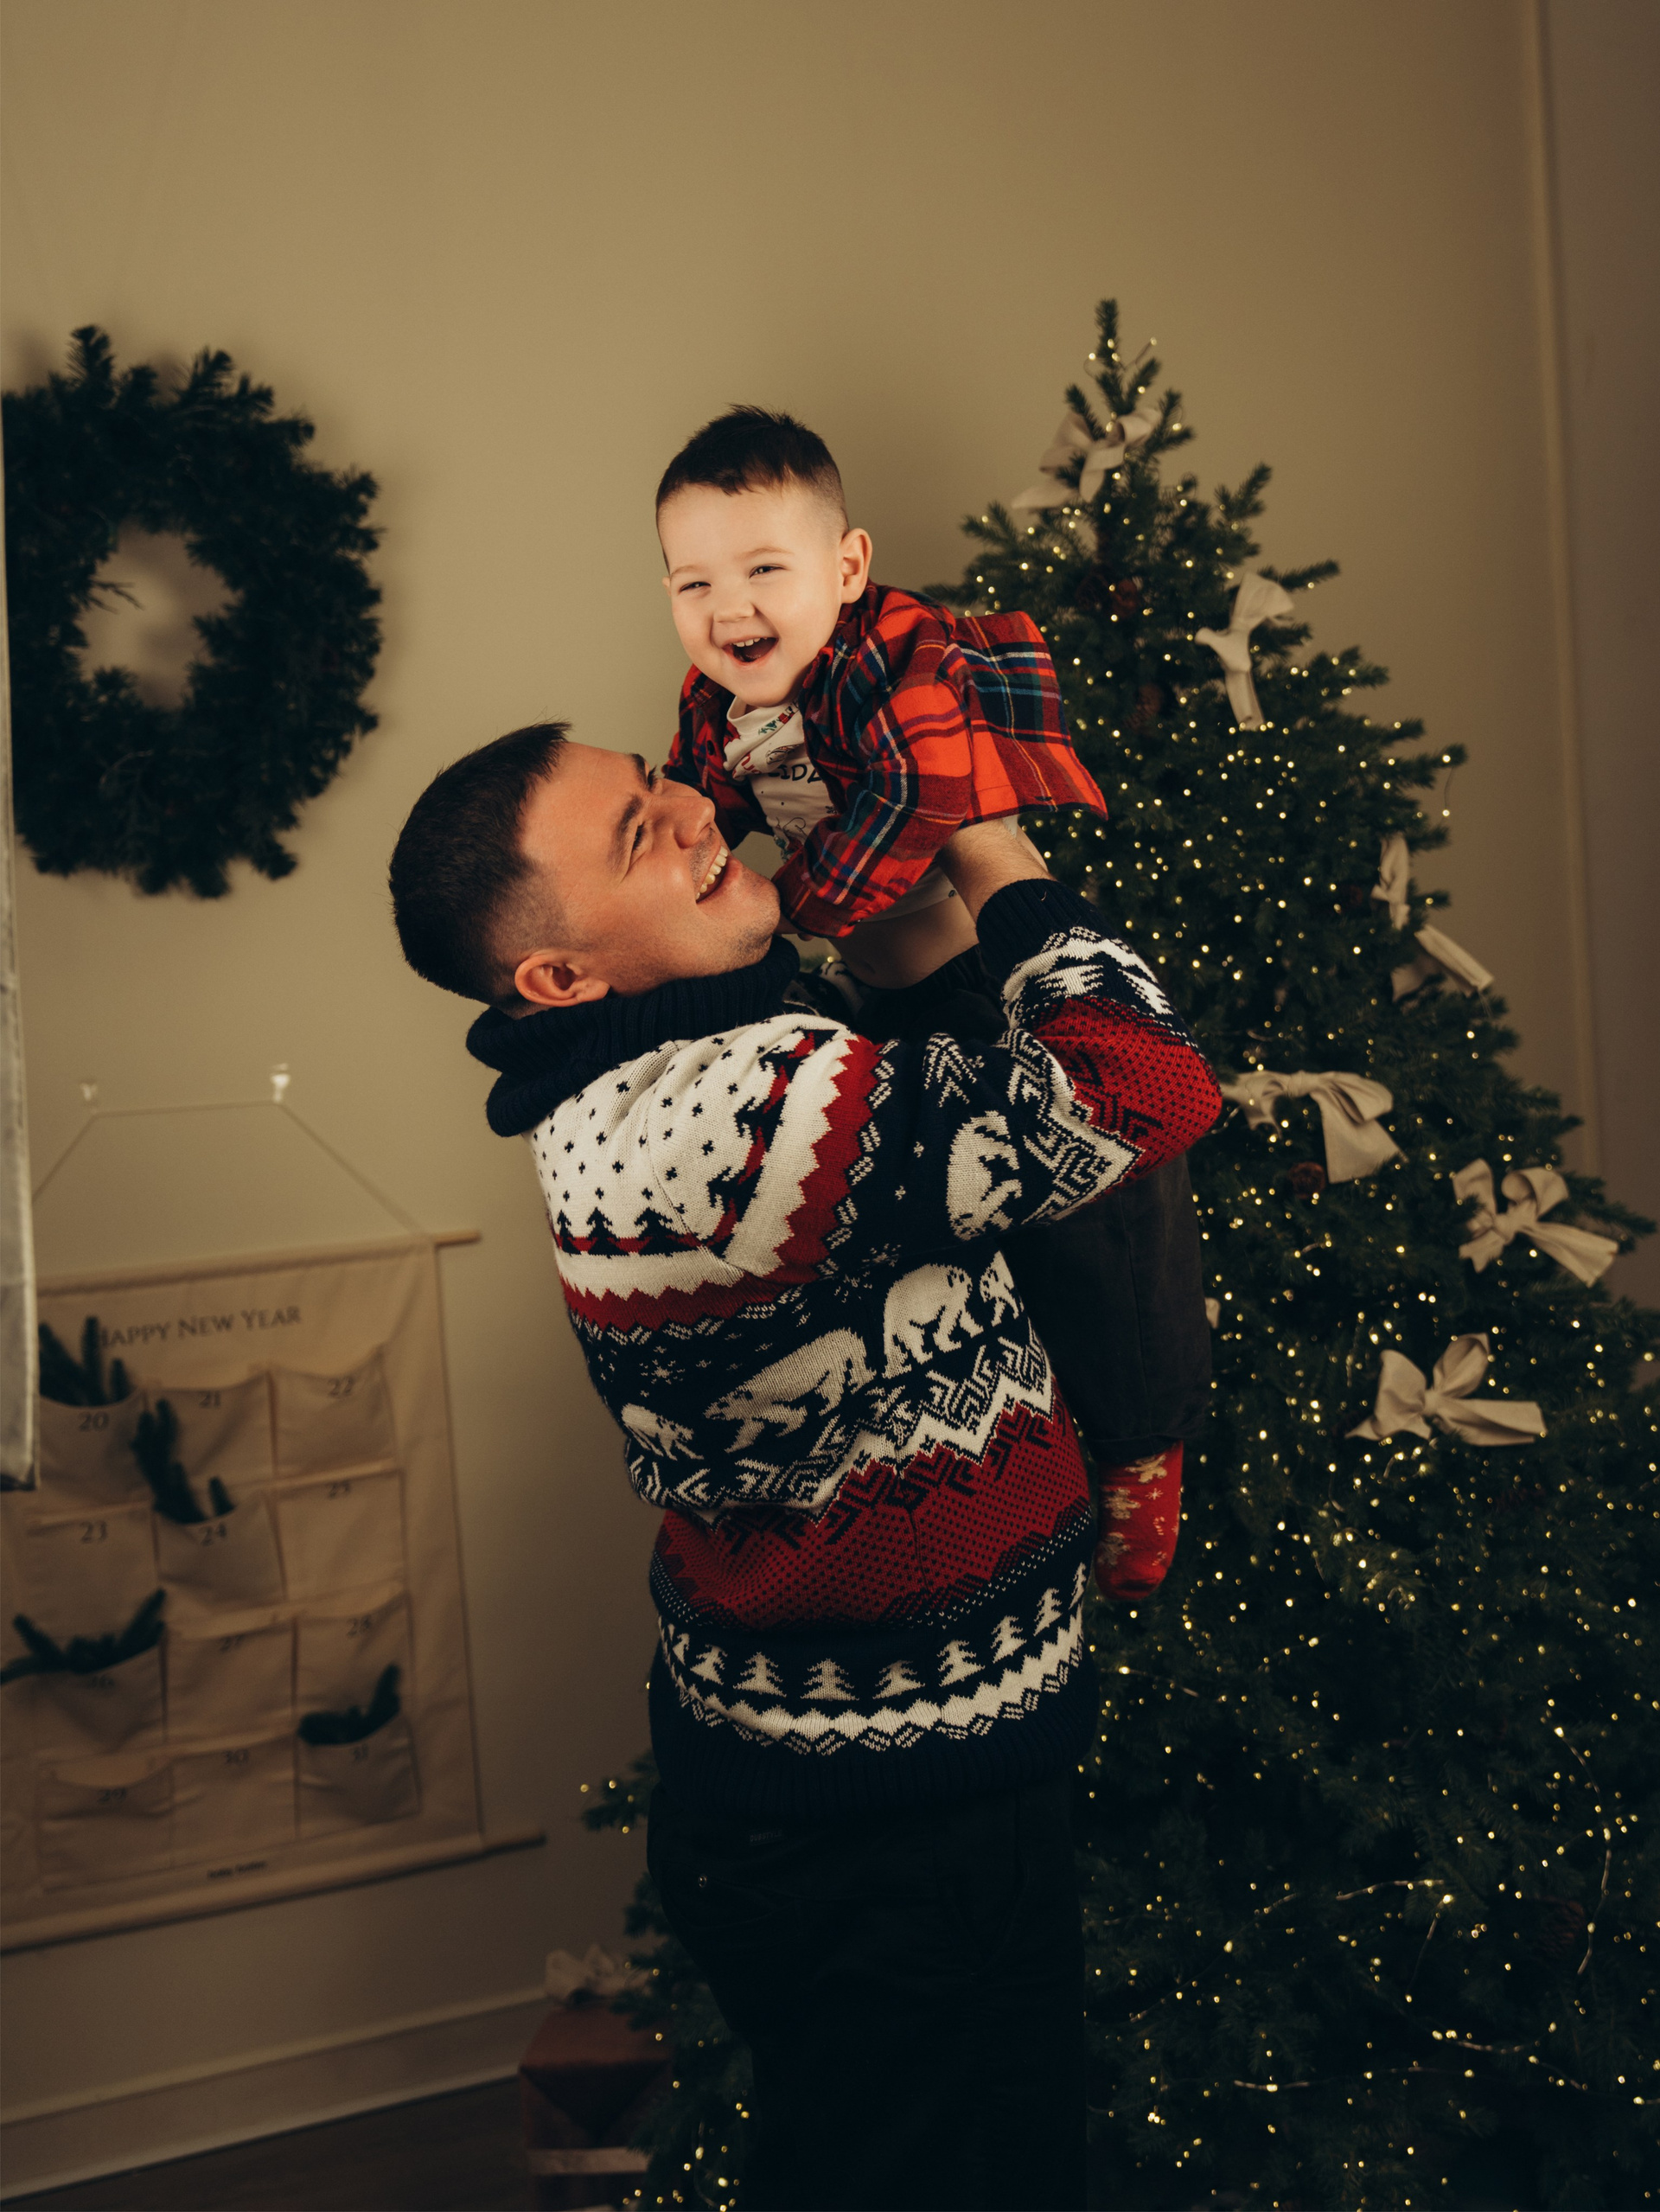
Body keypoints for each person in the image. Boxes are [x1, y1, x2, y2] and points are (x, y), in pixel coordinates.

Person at [388, 721, 1220, 2211]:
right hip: (885, 1829)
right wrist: (991, 844)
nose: (693, 811)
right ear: (558, 977)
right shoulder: (722, 1127)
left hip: (888, 1776)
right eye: (639, 834)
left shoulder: (694, 1061)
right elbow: (1144, 1085)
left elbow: (905, 1070)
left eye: (657, 779)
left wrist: (881, 901)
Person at [655, 408, 1211, 1595]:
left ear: (847, 567)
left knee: (1102, 1220)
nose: (729, 607)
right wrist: (682, 886)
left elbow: (919, 802)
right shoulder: (716, 701)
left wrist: (781, 904)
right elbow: (693, 814)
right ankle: (1006, 1443)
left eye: (764, 570)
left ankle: (1140, 1439)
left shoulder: (902, 658)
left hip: (986, 983)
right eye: (694, 582)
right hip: (878, 999)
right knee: (930, 1232)